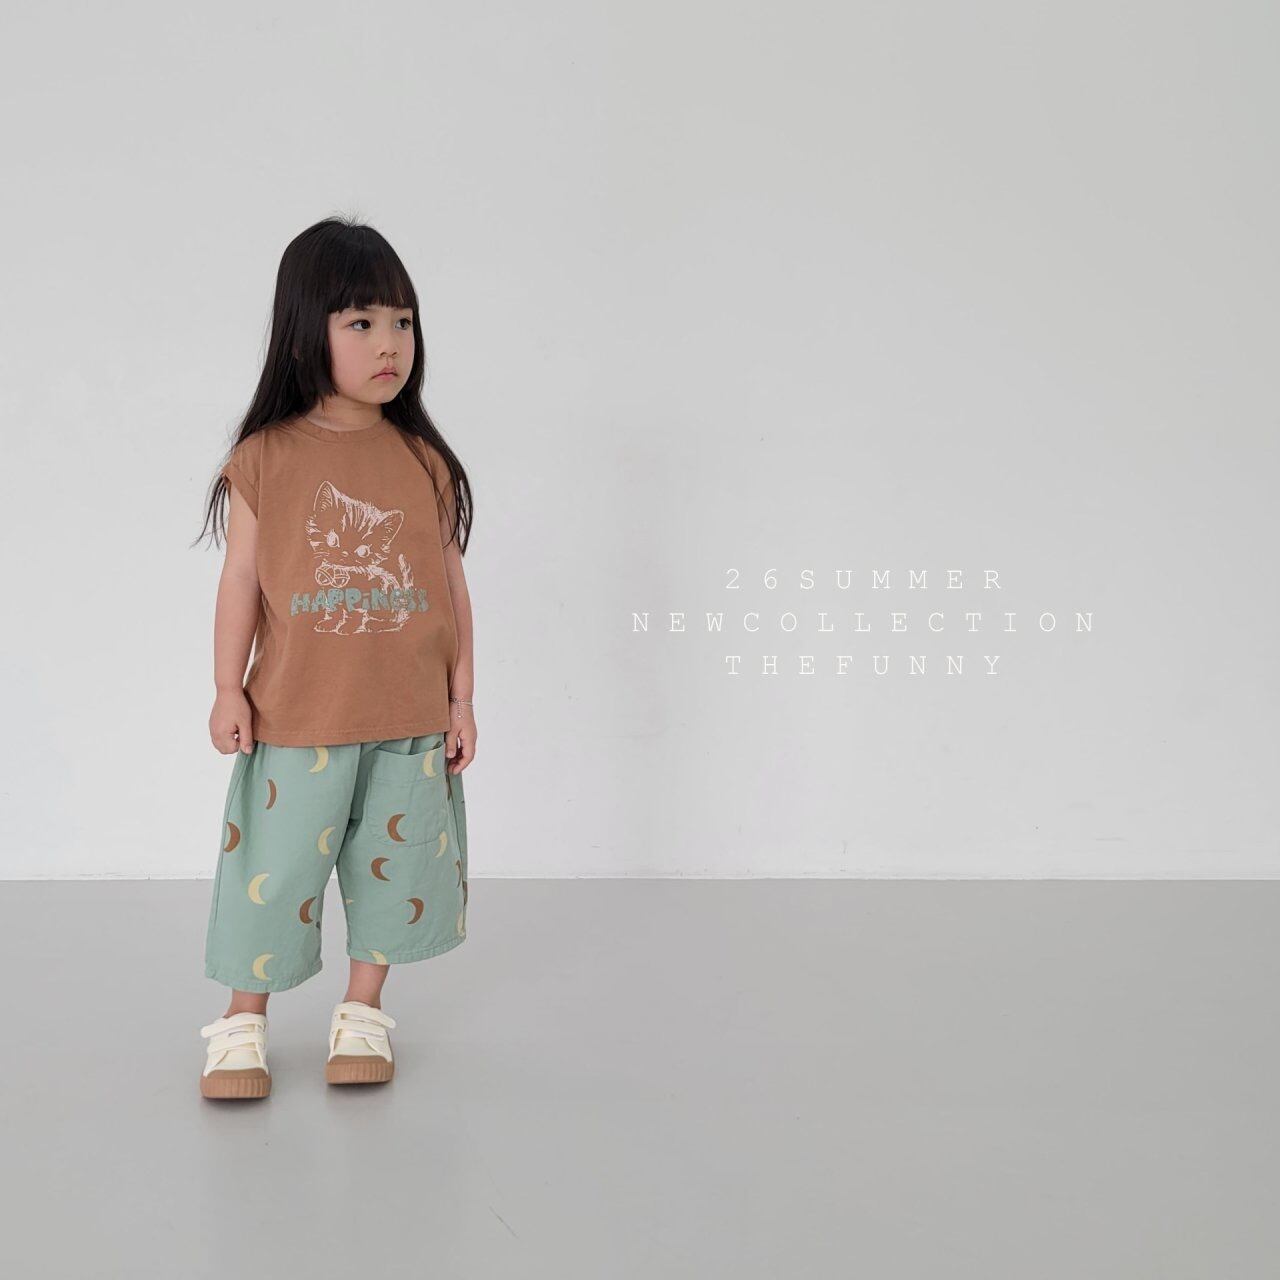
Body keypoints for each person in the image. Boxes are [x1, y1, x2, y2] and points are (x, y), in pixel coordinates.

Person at [191, 217, 476, 1099]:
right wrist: (227, 687)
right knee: (272, 876)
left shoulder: (422, 460)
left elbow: (451, 587)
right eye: (361, 322)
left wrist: (461, 700)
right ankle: (242, 1021)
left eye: (403, 321)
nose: (390, 343)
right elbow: (241, 581)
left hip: (407, 724)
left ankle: (362, 1011)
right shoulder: (265, 458)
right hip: (296, 719)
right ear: (302, 332)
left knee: (396, 873)